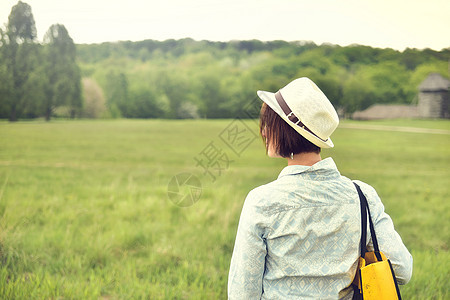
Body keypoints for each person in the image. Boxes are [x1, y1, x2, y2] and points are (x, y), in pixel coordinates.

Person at [227, 77, 413, 299]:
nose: (264, 132)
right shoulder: (363, 196)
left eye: (269, 124)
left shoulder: (262, 201)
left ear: (285, 130)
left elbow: (242, 293)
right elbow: (402, 269)